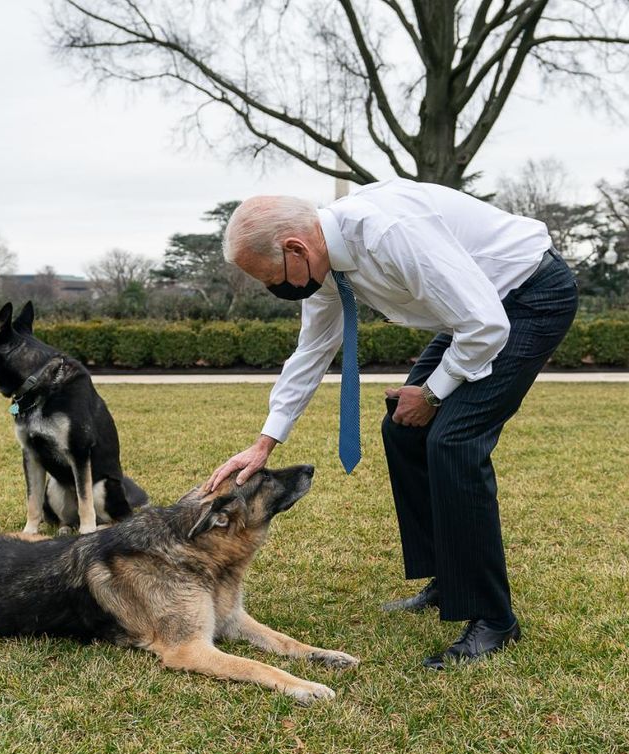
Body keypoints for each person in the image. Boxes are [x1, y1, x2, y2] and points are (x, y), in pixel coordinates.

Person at [208, 178, 578, 668]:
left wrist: (431, 393)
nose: (273, 288)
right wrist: (264, 445)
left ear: (295, 248)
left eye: (270, 277)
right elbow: (312, 351)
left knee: (454, 441)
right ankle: (448, 580)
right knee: (404, 430)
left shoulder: (389, 233)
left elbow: (487, 325)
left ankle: (493, 619)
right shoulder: (324, 267)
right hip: (473, 312)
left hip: (527, 298)